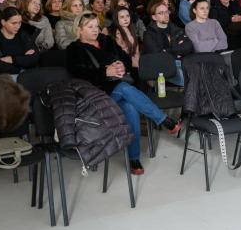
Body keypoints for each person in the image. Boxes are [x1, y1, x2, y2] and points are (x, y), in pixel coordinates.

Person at [66, 12, 180, 174]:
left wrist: (121, 65)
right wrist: (105, 72)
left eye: (96, 26)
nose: (94, 30)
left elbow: (126, 58)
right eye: (89, 27)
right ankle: (163, 120)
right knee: (124, 88)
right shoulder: (74, 49)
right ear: (79, 30)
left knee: (130, 108)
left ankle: (134, 159)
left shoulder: (106, 41)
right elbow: (78, 74)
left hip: (115, 90)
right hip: (94, 96)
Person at [143, 1, 194, 86]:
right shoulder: (149, 34)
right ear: (154, 17)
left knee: (199, 76)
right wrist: (177, 51)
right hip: (163, 67)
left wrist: (167, 50)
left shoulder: (174, 28)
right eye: (161, 13)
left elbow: (188, 46)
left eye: (167, 12)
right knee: (189, 82)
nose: (166, 15)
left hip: (182, 62)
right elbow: (157, 55)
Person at [0, 7, 39, 77]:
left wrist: (11, 59)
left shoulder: (23, 34)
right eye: (14, 23)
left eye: (20, 22)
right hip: (1, 78)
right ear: (3, 22)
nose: (18, 26)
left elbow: (34, 59)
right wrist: (20, 68)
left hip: (25, 75)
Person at [106, 5, 142, 77]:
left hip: (136, 66)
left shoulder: (131, 30)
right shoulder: (112, 32)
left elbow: (136, 53)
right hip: (123, 67)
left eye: (127, 16)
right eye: (122, 17)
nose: (126, 19)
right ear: (117, 19)